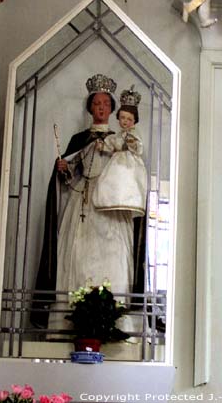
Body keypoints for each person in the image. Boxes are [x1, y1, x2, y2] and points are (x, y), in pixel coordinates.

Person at [31, 74, 145, 334]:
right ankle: (70, 319)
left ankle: (115, 319)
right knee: (76, 255)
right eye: (97, 103)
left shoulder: (120, 139)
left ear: (112, 108)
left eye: (106, 103)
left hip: (111, 207)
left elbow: (130, 170)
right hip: (81, 202)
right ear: (90, 107)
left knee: (114, 255)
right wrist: (63, 169)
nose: (101, 107)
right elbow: (70, 175)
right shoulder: (79, 140)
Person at [93, 85, 147, 218]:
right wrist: (102, 146)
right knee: (109, 181)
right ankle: (111, 200)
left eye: (129, 119)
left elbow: (139, 148)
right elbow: (111, 144)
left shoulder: (134, 134)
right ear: (118, 118)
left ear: (134, 121)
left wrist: (131, 143)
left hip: (129, 164)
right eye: (122, 118)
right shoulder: (117, 136)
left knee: (127, 180)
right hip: (116, 162)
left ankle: (127, 199)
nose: (125, 122)